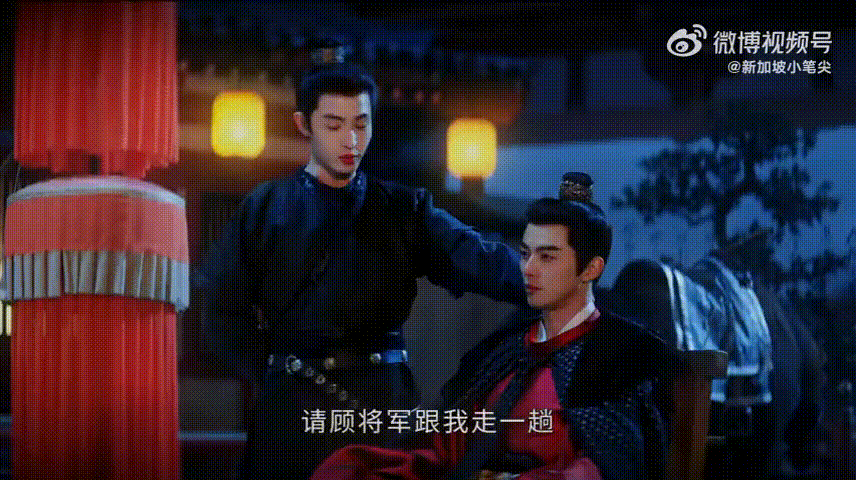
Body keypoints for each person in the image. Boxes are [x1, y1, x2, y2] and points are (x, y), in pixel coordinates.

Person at [194, 44, 527, 480]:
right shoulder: (265, 209)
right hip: (293, 405)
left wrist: (555, 277)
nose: (350, 140)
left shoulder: (404, 209)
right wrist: (275, 372)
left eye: (360, 124)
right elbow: (221, 310)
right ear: (303, 125)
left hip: (380, 400)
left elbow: (480, 259)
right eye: (333, 125)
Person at [311, 173, 680, 480]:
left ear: (591, 268)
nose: (528, 269)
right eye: (525, 254)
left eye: (547, 257)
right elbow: (449, 446)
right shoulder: (507, 351)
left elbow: (606, 462)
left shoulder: (620, 355)